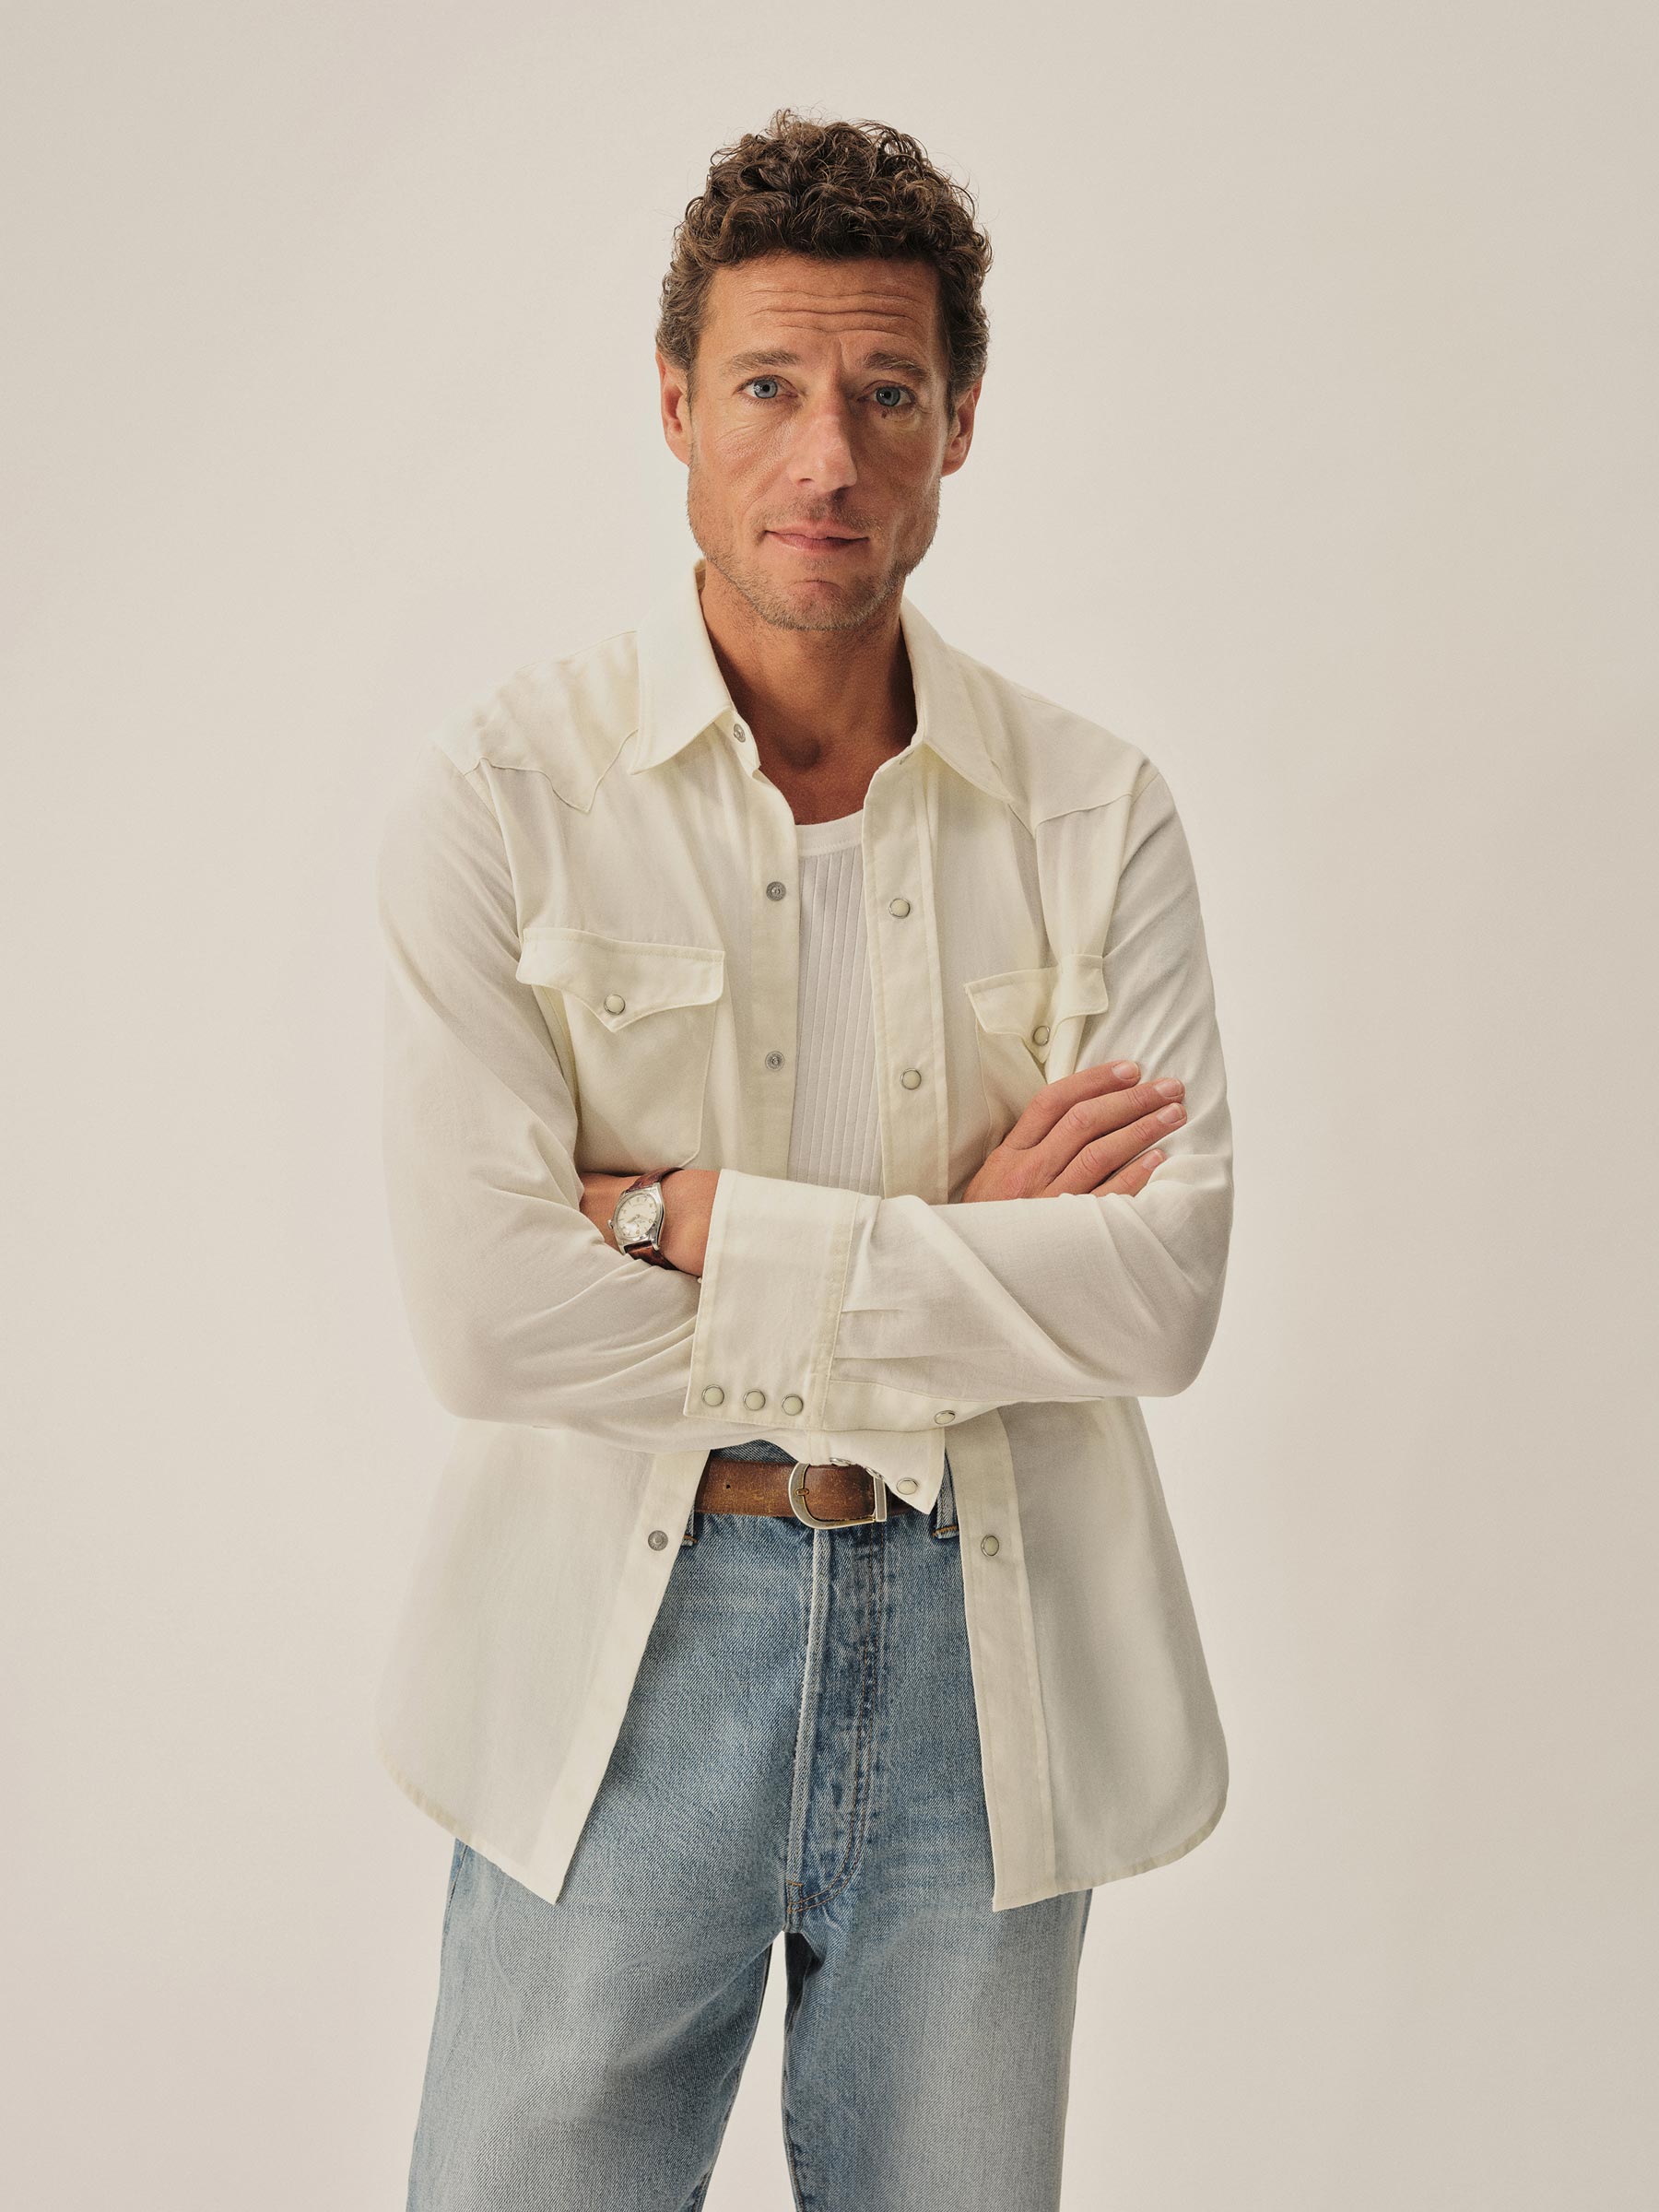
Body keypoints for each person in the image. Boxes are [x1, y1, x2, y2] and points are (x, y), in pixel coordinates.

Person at [375, 106, 1235, 2212]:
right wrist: (962, 1255)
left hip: (980, 1649)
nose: (827, 456)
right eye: (768, 387)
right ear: (676, 407)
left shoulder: (1092, 814)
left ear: (961, 425)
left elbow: (1158, 1297)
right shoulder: (510, 797)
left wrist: (681, 1222)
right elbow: (494, 1324)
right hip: (623, 1650)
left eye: (886, 394)